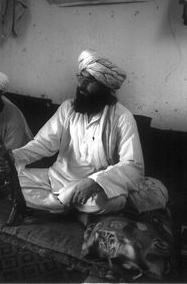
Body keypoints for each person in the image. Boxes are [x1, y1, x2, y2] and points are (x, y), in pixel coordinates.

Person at [8, 49, 145, 216]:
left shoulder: (122, 117)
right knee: (13, 182)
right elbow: (44, 143)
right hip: (56, 178)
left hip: (91, 188)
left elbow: (133, 165)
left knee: (113, 201)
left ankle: (56, 206)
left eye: (89, 81)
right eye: (80, 77)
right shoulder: (68, 108)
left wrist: (94, 182)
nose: (81, 85)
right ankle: (67, 207)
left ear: (105, 86)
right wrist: (14, 156)